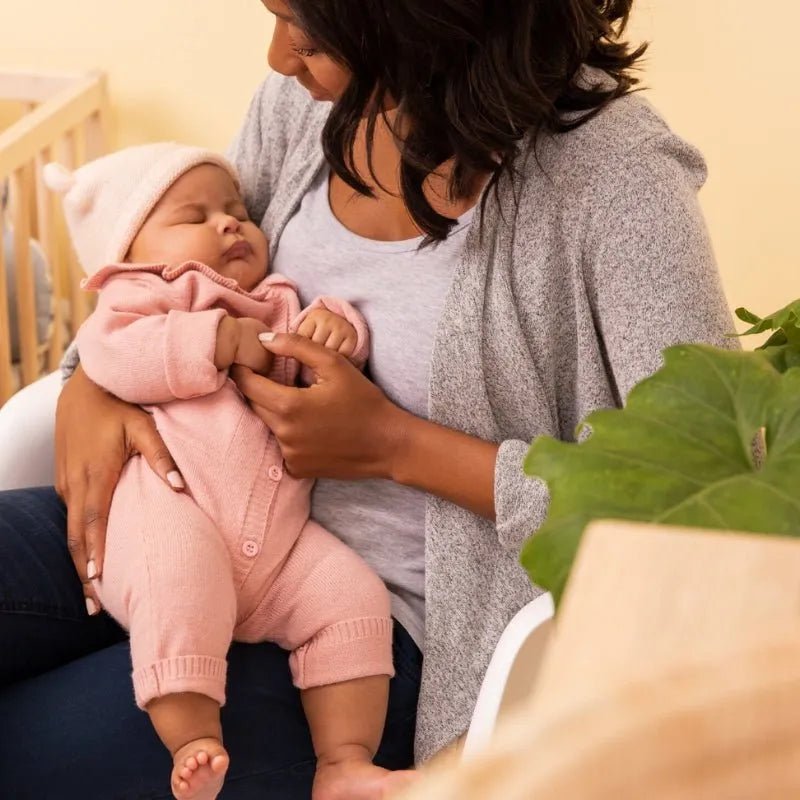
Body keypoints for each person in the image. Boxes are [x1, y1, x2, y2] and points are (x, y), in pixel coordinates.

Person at [0, 0, 733, 797]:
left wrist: (396, 446)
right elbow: (178, 273)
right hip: (173, 509)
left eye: (307, 31)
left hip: (366, 633)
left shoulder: (616, 178)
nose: (279, 57)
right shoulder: (306, 106)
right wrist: (88, 388)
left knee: (28, 751)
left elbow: (713, 502)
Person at [42, 142, 410, 800]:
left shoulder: (274, 299)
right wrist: (210, 338)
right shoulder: (142, 294)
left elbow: (315, 362)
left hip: (281, 545)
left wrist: (337, 330)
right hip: (171, 512)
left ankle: (345, 761)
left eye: (237, 210)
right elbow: (112, 352)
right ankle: (193, 739)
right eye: (195, 216)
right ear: (131, 251)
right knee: (178, 581)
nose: (229, 224)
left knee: (351, 597)